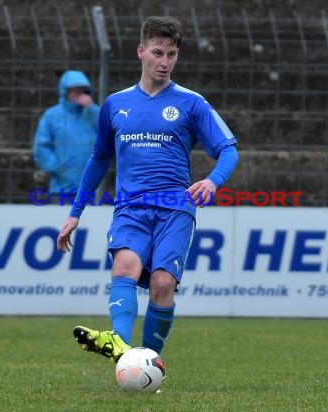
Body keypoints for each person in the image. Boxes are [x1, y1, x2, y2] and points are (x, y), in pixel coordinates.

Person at [56, 16, 238, 363]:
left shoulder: (191, 102)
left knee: (162, 284)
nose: (165, 62)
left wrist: (213, 180)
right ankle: (122, 348)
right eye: (158, 52)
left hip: (175, 207)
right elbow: (98, 159)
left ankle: (149, 360)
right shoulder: (115, 104)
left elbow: (228, 150)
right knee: (124, 267)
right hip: (130, 206)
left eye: (172, 54)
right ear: (141, 52)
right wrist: (75, 213)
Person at [32, 70, 100, 203]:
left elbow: (109, 131)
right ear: (65, 91)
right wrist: (60, 166)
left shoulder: (92, 114)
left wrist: (91, 109)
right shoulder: (52, 115)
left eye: (82, 90)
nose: (79, 94)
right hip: (61, 189)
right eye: (75, 90)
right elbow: (40, 148)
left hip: (91, 189)